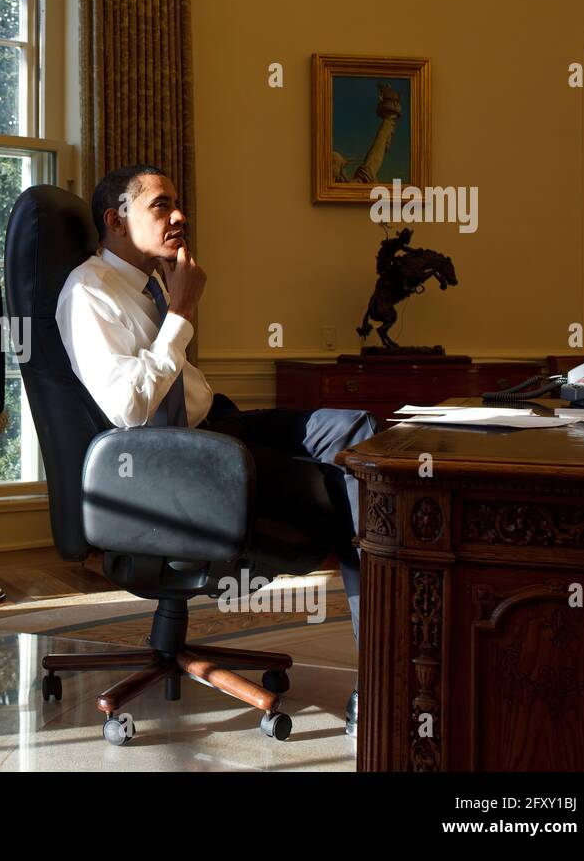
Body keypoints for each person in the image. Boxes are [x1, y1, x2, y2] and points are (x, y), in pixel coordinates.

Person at [55, 164, 375, 736]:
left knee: (357, 434)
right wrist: (180, 313)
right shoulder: (88, 293)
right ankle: (383, 674)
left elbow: (180, 388)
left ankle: (389, 639)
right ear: (116, 219)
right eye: (161, 206)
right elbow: (129, 409)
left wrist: (172, 304)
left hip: (214, 426)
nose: (179, 216)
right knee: (342, 489)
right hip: (168, 467)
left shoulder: (150, 283)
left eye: (179, 204)